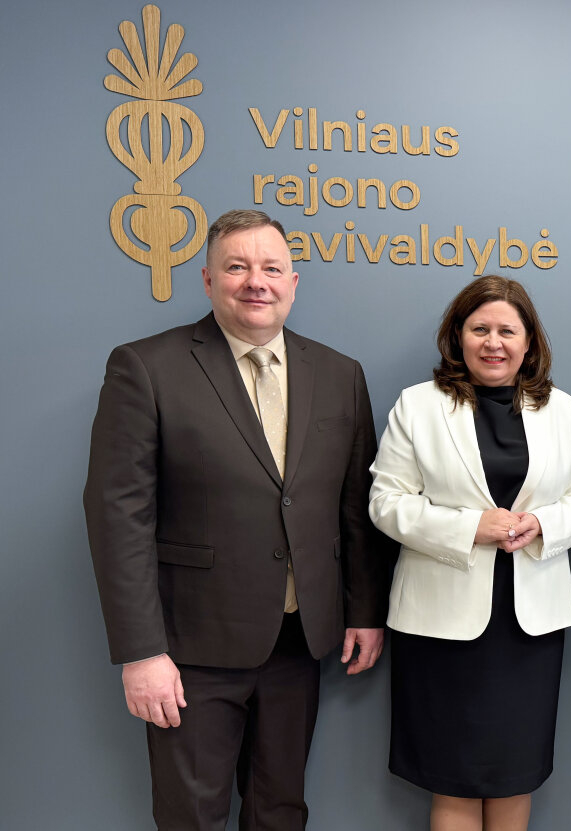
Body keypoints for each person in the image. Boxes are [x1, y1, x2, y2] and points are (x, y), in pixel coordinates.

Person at [83, 208, 394, 829]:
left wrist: (363, 610)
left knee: (281, 811)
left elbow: (354, 509)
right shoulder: (146, 366)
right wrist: (142, 652)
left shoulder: (340, 373)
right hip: (189, 649)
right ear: (207, 279)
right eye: (237, 267)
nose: (257, 281)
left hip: (299, 641)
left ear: (293, 283)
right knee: (192, 817)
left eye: (271, 268)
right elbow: (118, 516)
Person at [368, 275, 571, 831]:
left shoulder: (561, 409)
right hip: (440, 624)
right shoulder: (418, 406)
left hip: (529, 628)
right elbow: (385, 502)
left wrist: (542, 523)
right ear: (458, 335)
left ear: (529, 342)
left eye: (507, 331)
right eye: (479, 329)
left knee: (513, 773)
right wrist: (470, 527)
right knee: (453, 775)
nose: (493, 342)